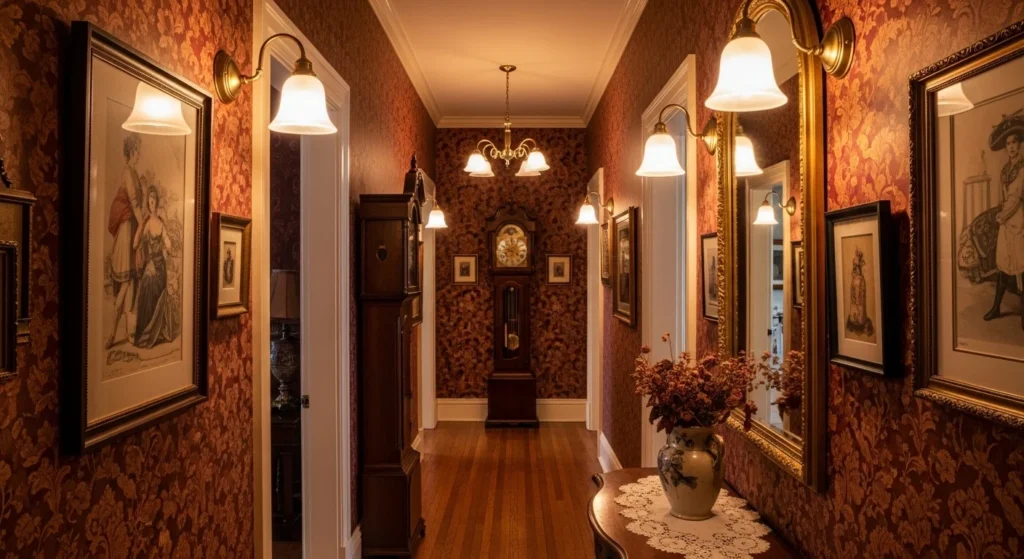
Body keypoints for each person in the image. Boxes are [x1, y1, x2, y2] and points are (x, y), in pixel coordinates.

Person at [983, 115, 1024, 329]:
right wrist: (999, 213)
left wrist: (1002, 215)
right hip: (1005, 224)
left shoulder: (1023, 169)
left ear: (1020, 143)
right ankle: (996, 307)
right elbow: (1004, 197)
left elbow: (1016, 198)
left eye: (1014, 142)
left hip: (1020, 222)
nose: (1011, 147)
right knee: (1003, 265)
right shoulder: (1005, 171)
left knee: (1021, 266)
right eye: (1008, 143)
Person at [105, 133, 143, 349]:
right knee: (127, 282)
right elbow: (136, 206)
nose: (139, 153)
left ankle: (128, 333)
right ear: (131, 151)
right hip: (127, 230)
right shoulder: (128, 174)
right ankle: (112, 334)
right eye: (137, 149)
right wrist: (144, 227)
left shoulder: (134, 173)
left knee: (131, 284)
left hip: (133, 229)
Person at [133, 186, 177, 348]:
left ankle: (157, 332)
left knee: (158, 290)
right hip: (151, 265)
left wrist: (167, 248)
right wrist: (140, 227)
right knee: (146, 289)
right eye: (150, 198)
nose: (152, 200)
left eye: (154, 197)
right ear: (148, 202)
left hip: (160, 266)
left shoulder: (160, 222)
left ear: (157, 202)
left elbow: (168, 243)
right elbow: (136, 244)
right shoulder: (146, 224)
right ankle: (145, 334)